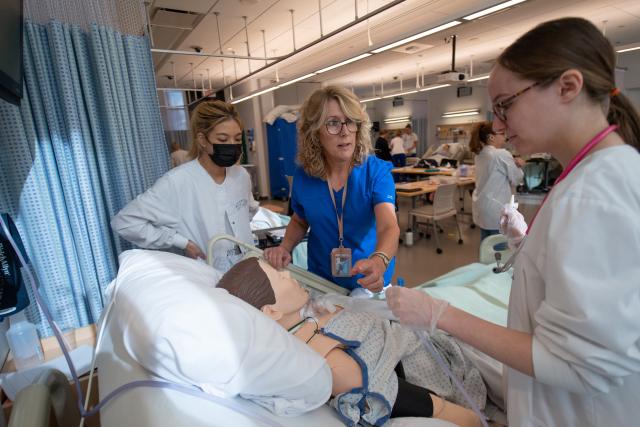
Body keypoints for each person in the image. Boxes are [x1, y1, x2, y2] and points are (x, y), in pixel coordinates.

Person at [387, 17, 640, 427]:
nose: (498, 125)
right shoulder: (595, 176)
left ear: (568, 87)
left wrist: (439, 313)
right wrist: (531, 245)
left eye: (505, 104)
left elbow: (578, 364)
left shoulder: (594, 192)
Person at [217, 257, 485, 427]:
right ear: (271, 312)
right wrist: (469, 419)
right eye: (279, 277)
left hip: (414, 329)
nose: (288, 274)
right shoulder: (316, 354)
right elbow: (387, 390)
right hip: (420, 358)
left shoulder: (306, 317)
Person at [263, 86, 399, 293]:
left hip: (368, 282)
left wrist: (380, 260)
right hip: (321, 281)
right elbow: (300, 220)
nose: (344, 131)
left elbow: (388, 226)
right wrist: (284, 248)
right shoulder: (304, 176)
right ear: (315, 132)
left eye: (350, 121)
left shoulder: (375, 172)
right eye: (333, 123)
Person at [111, 100, 259, 271]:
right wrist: (181, 242)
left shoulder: (240, 175)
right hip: (208, 274)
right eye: (223, 139)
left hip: (248, 266)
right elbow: (124, 222)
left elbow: (248, 210)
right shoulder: (178, 182)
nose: (232, 145)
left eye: (237, 139)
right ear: (203, 140)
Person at [469, 121, 524, 245]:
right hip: (496, 209)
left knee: (487, 246)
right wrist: (519, 166)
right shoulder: (501, 154)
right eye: (502, 134)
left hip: (482, 206)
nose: (505, 137)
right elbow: (517, 179)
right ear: (491, 137)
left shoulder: (479, 155)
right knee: (498, 249)